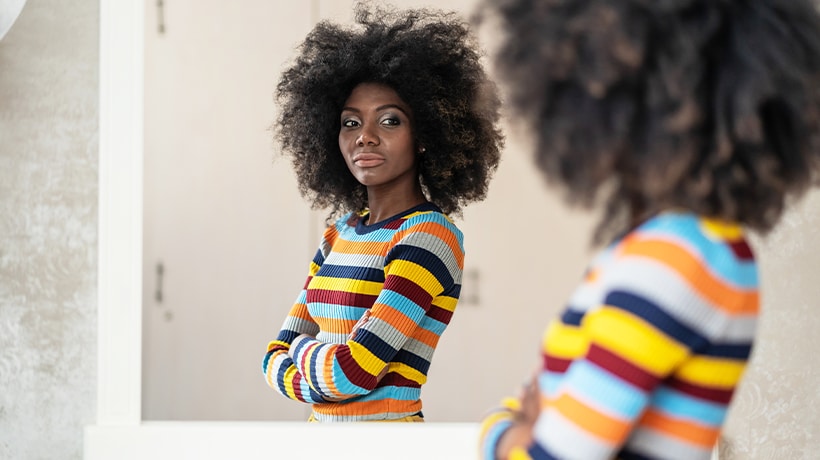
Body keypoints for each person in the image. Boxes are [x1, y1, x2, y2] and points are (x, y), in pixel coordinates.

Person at [474, 0, 820, 458]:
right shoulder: (684, 249)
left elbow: (546, 452)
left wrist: (501, 433)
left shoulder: (680, 257)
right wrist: (522, 424)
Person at [262, 2, 503, 422]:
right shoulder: (338, 235)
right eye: (350, 123)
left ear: (425, 134)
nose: (365, 138)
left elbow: (349, 373)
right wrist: (312, 362)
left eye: (389, 121)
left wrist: (299, 351)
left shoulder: (429, 237)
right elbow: (270, 360)